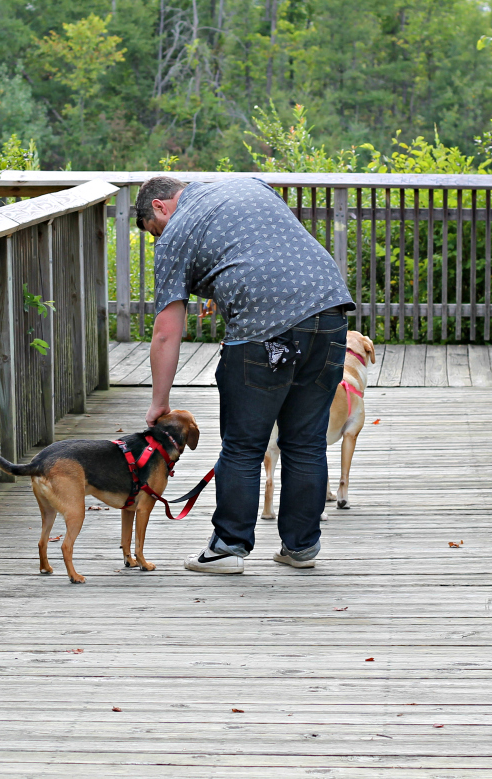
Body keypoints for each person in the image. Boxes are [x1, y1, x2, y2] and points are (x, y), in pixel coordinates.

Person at [137, 175, 353, 574]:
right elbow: (262, 251)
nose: (158, 241)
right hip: (330, 311)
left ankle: (227, 549)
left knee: (243, 444)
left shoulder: (174, 231)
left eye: (154, 232)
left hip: (264, 331)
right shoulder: (247, 185)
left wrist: (159, 402)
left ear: (159, 207)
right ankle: (301, 547)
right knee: (305, 440)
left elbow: (166, 331)